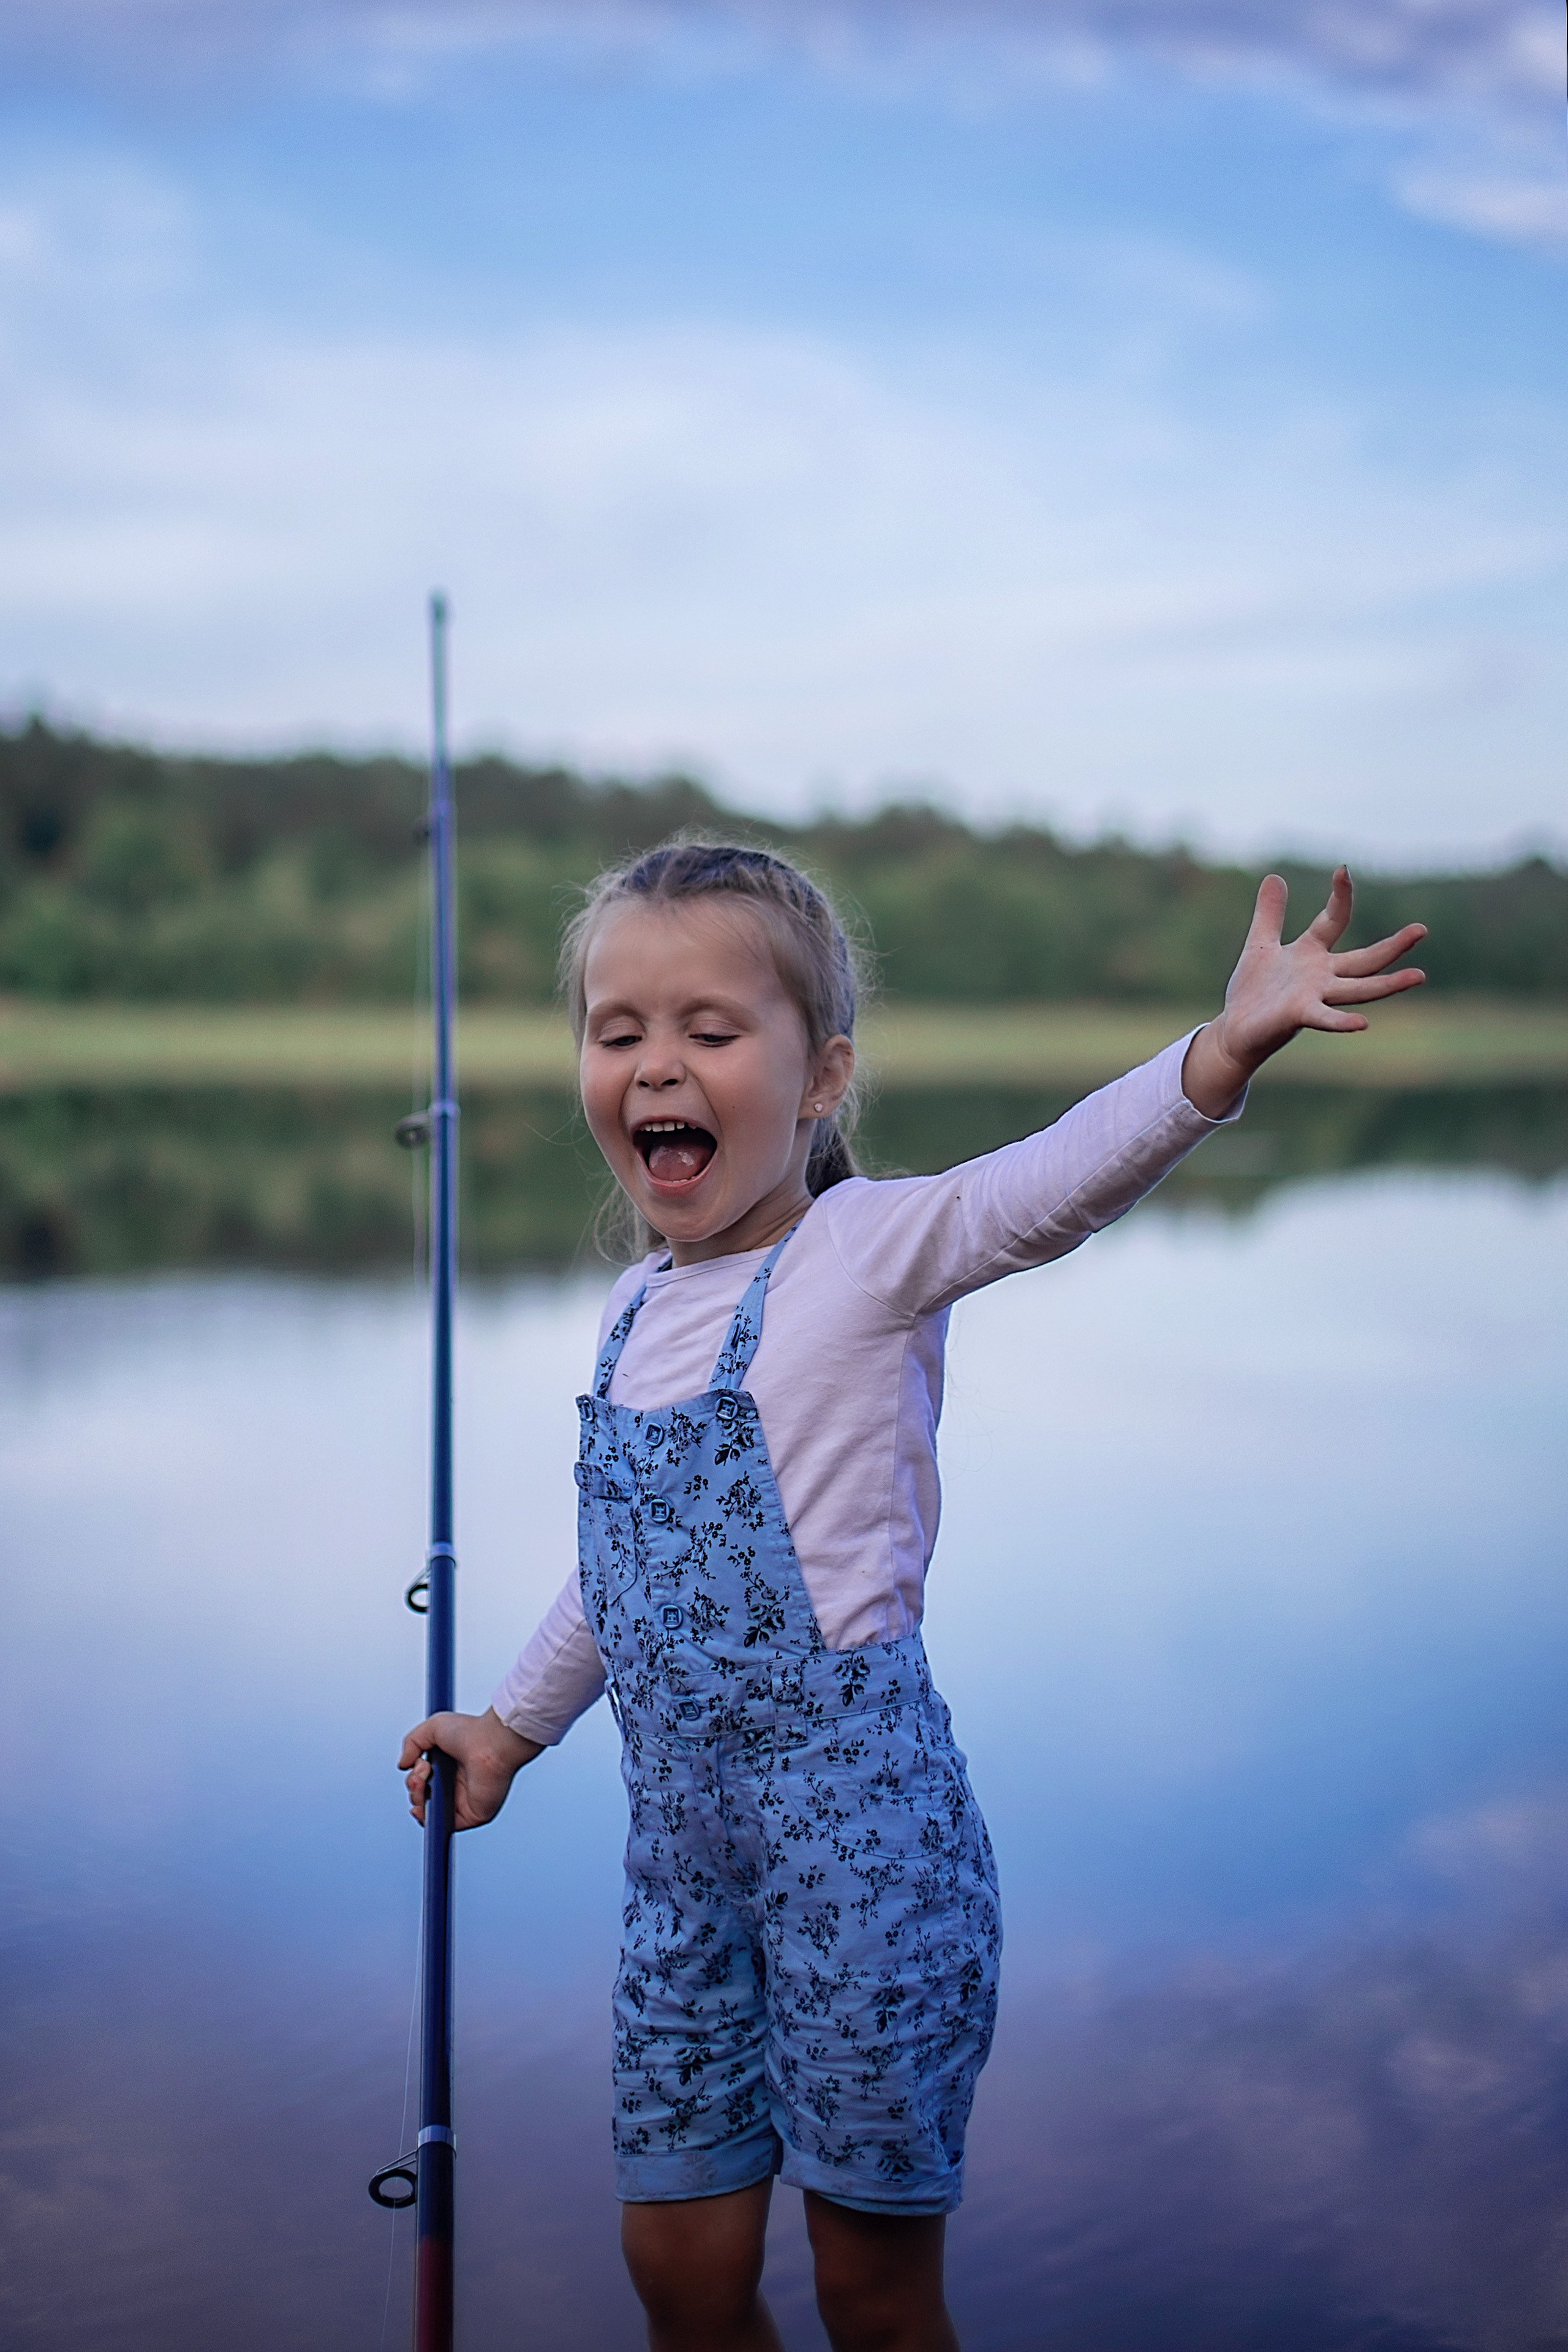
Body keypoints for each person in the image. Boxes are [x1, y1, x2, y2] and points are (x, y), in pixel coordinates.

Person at [401, 842, 1426, 2352]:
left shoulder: (867, 1252)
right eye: (617, 1033)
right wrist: (511, 1724)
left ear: (819, 1078)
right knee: (677, 2277)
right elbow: (619, 1573)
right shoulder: (628, 1311)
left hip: (864, 1870)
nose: (654, 1064)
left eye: (708, 1030)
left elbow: (1053, 1183)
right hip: (680, 1886)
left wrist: (1213, 1056)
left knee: (872, 2299)